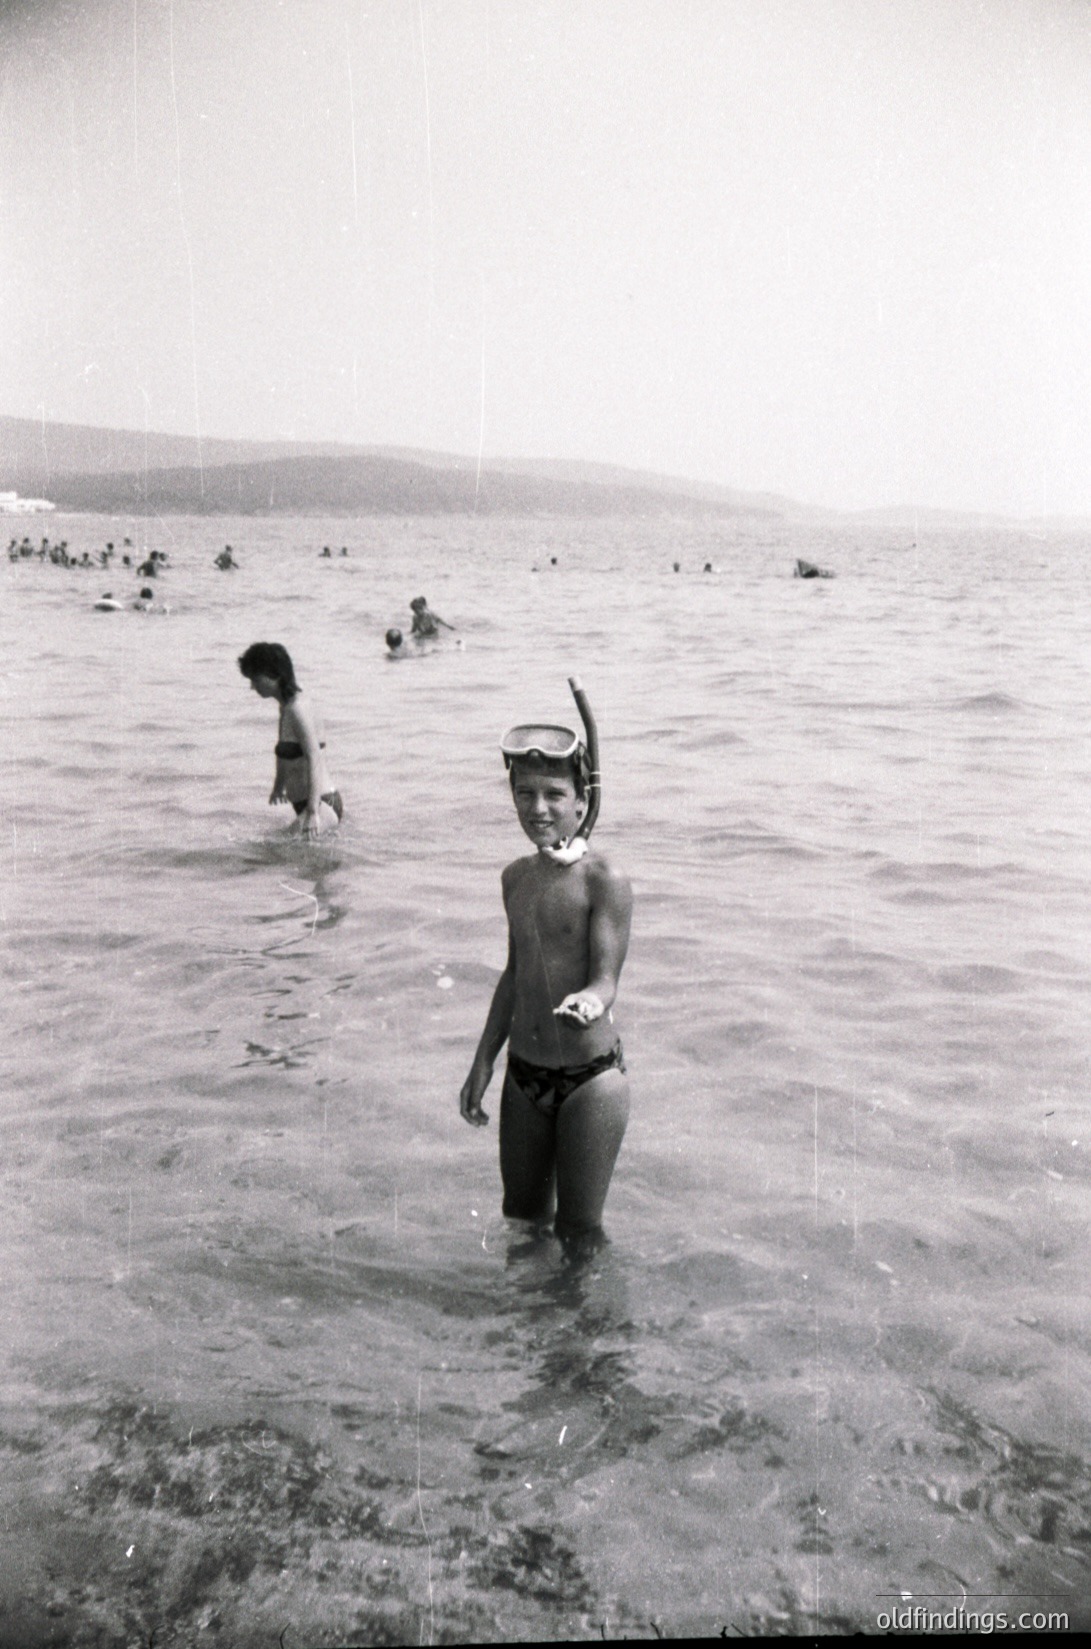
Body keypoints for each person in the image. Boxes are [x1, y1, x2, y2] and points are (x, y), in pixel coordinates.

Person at [459, 721, 632, 1245]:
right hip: (524, 1075)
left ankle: (586, 1326)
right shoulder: (515, 878)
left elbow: (606, 981)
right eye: (525, 794)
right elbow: (514, 976)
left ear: (582, 801)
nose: (538, 808)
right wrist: (484, 1060)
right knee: (522, 1219)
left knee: (580, 1230)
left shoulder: (604, 879)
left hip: (590, 1080)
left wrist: (588, 1000)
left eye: (554, 795)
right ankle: (528, 1323)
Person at [237, 642, 342, 838]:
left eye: (256, 679)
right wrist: (279, 786)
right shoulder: (286, 707)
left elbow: (314, 756)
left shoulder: (297, 709)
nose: (252, 686)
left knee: (270, 854)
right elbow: (284, 752)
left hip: (321, 804)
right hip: (309, 803)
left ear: (275, 674)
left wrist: (312, 812)